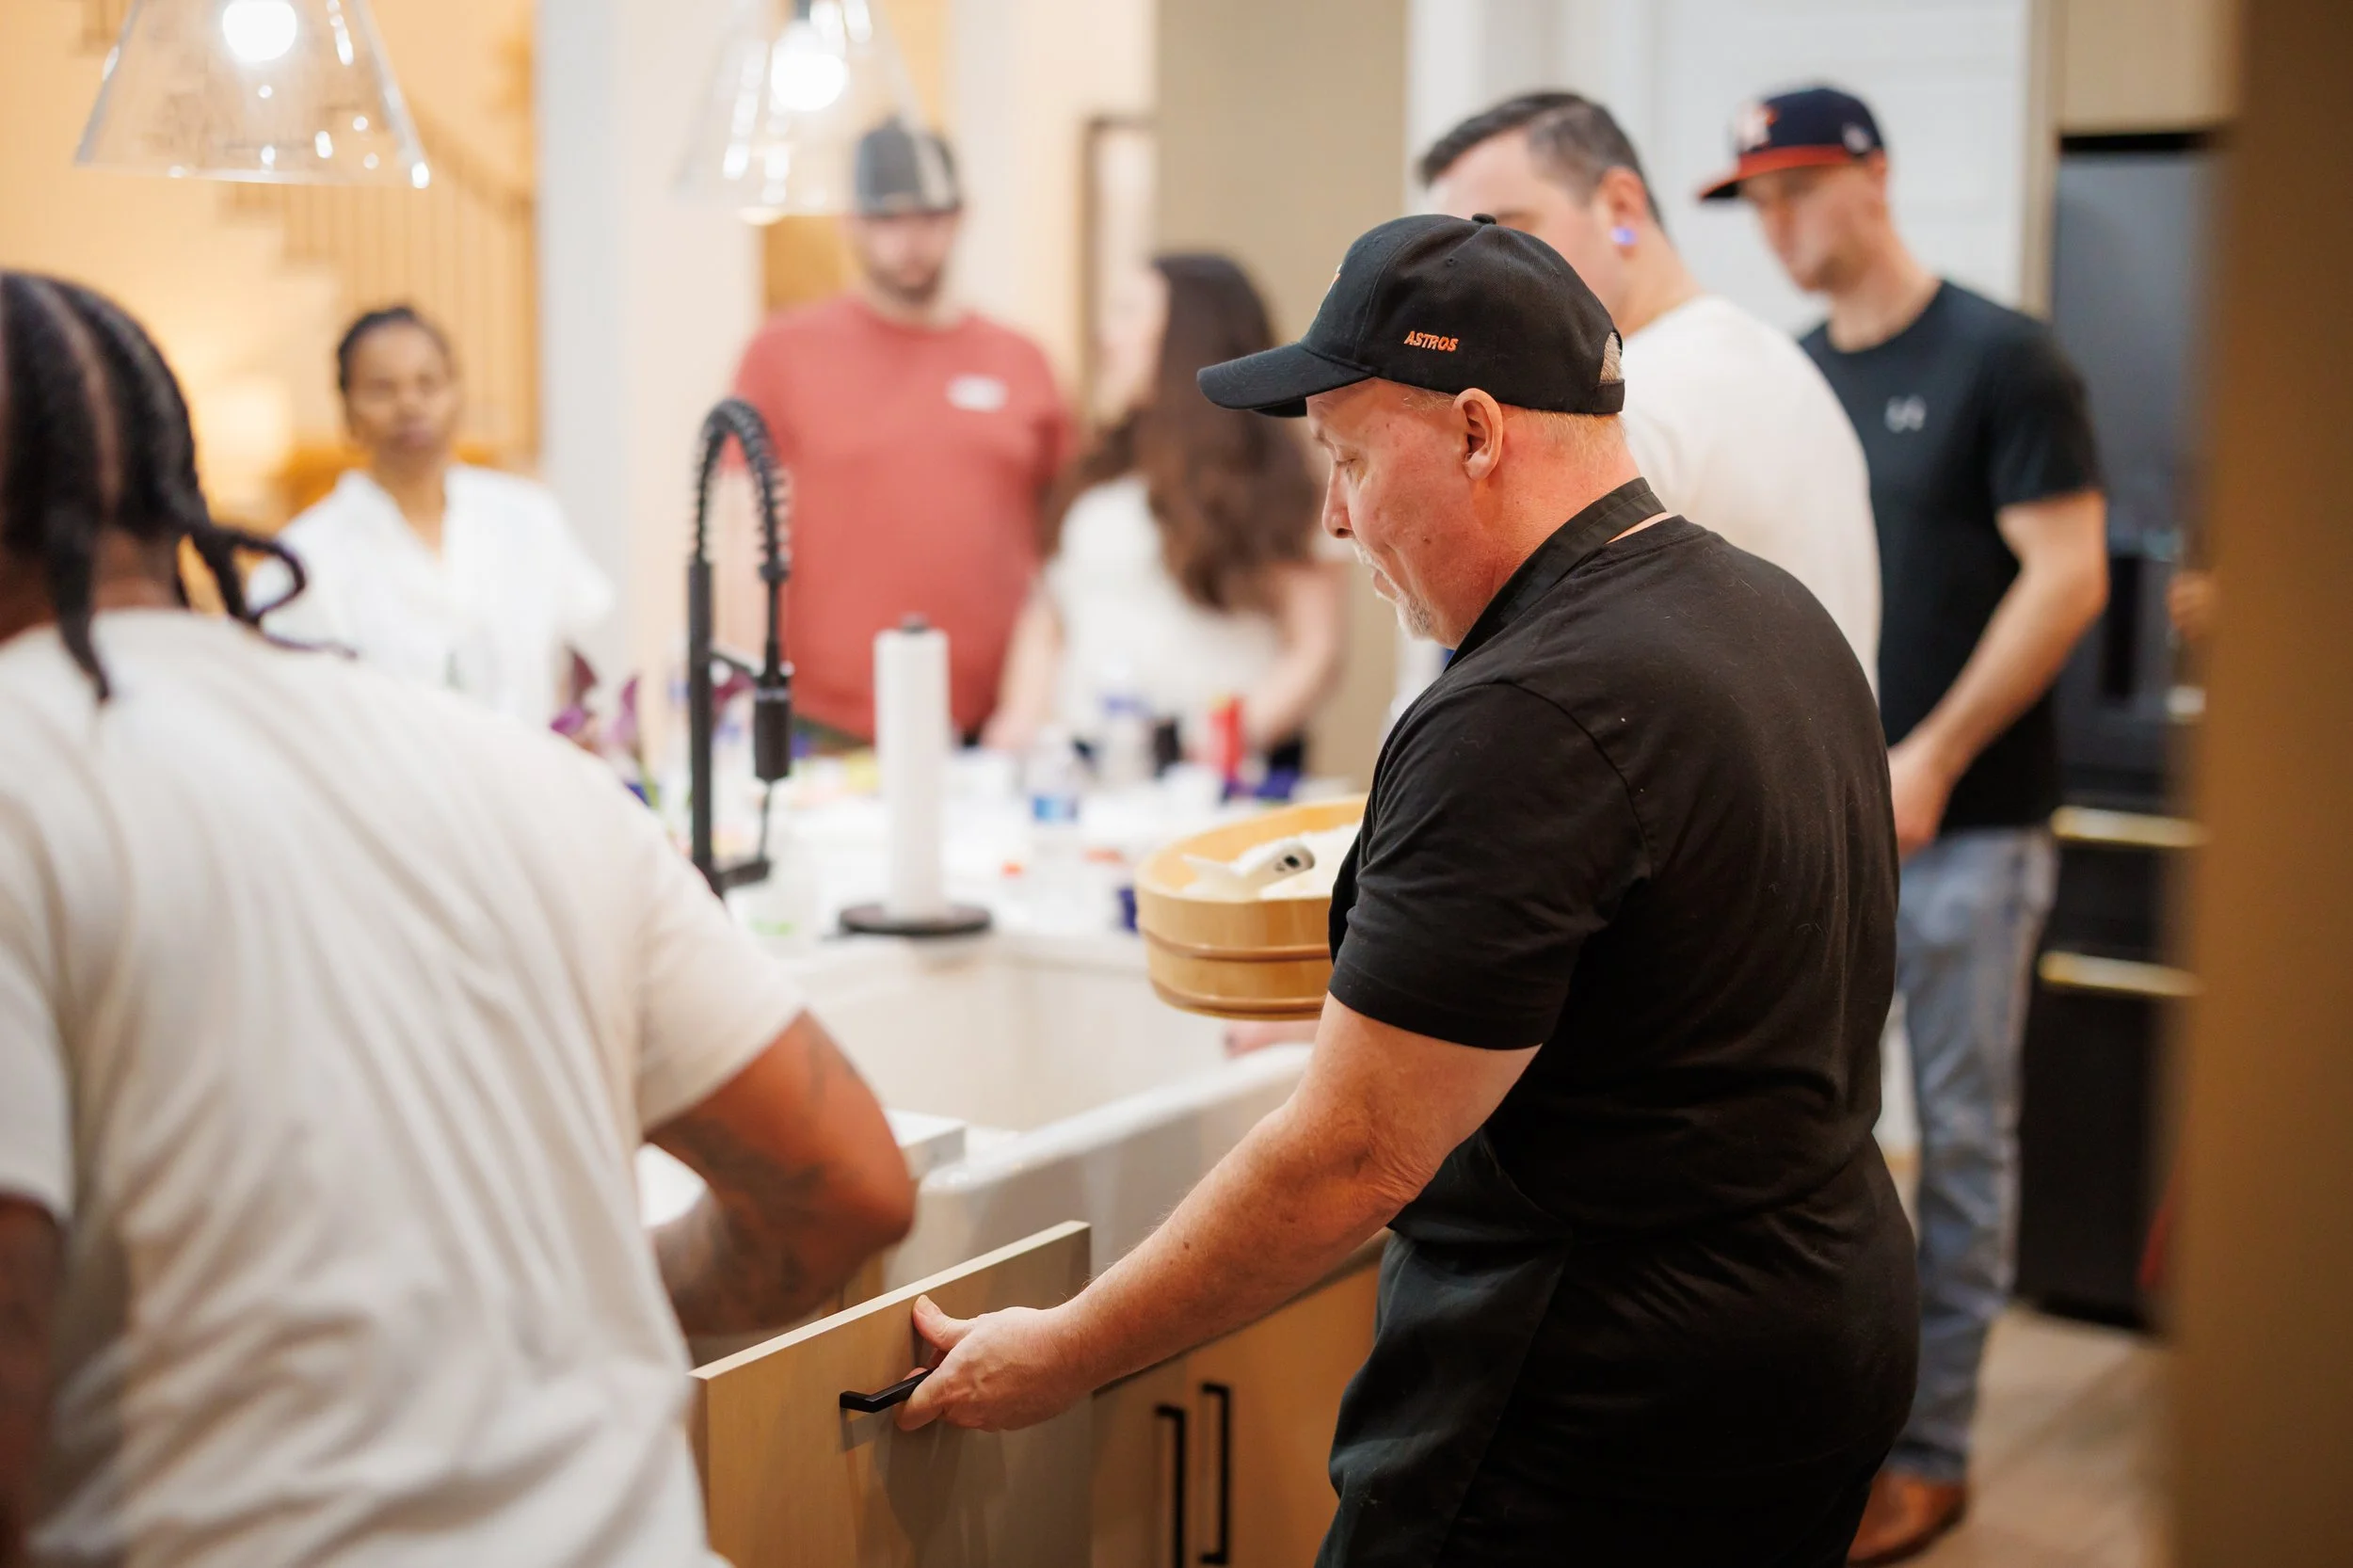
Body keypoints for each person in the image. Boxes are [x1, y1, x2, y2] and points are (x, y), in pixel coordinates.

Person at [892, 215, 1919, 1567]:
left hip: (1608, 1389)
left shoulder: (1524, 711)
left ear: (1481, 433)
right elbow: (1650, 980)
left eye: (1350, 455)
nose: (1332, 511)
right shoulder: (1767, 614)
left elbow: (1350, 1156)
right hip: (1819, 1315)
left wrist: (1067, 1350)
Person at [0, 273, 915, 1565]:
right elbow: (847, 1186)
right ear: (168, 483)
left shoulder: (23, 780)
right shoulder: (531, 775)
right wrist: (556, 1307)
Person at [1712, 85, 2110, 1563]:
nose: (1777, 223)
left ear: (1873, 177)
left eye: (1799, 188)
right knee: (1811, 1134)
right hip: (1829, 835)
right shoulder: (1798, 380)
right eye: (1755, 199)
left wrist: (1930, 756)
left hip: (1976, 827)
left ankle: (1931, 1454)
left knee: (1963, 1141)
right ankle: (1836, 1429)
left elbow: (2068, 576)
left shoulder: (2005, 358)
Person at [1417, 91, 1881, 677]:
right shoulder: (1776, 363)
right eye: (1455, 252)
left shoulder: (1628, 406)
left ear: (1621, 208)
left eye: (1503, 233)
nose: (1470, 283)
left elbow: (1503, 688)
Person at [731, 121, 1073, 747]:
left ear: (961, 218)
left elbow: (1060, 551)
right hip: (825, 724)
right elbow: (738, 533)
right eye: (888, 221)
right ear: (850, 223)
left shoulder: (1023, 362)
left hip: (987, 731)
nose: (910, 241)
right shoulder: (782, 354)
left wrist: (1029, 704)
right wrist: (741, 694)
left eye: (929, 218)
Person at [983, 253, 1346, 769]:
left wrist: (1221, 745)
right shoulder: (1096, 470)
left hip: (1210, 774)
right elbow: (1049, 616)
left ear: (1188, 335)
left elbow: (1315, 647)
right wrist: (1018, 723)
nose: (1108, 336)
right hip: (1084, 766)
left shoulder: (1274, 476)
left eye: (1128, 313)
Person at [255, 304, 613, 728]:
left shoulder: (528, 518)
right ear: (347, 413)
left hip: (527, 785)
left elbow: (574, 665)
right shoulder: (304, 556)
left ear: (457, 394)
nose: (409, 404)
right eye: (382, 389)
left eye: (428, 384)